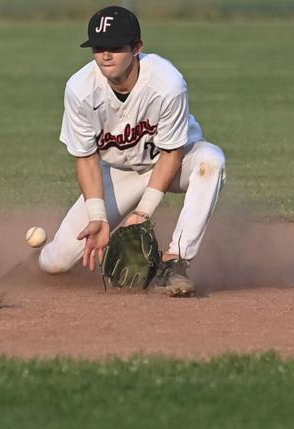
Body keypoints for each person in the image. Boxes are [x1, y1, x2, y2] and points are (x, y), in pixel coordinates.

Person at [38, 5, 226, 297]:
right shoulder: (80, 89)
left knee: (211, 161)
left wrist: (143, 211)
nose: (106, 55)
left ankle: (175, 262)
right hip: (118, 172)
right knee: (55, 262)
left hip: (175, 162)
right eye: (98, 47)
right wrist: (98, 216)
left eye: (115, 47)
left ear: (137, 47)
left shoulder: (167, 83)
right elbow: (86, 158)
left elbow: (172, 153)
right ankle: (39, 261)